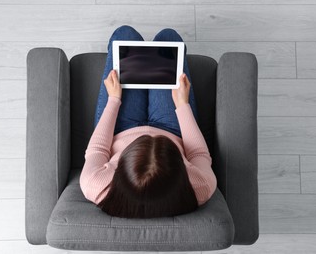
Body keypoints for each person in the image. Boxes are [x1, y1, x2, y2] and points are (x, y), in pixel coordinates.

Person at [80, 25, 217, 218]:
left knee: (125, 35)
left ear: (120, 168)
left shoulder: (96, 185)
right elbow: (198, 153)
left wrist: (114, 99)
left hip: (120, 129)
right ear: (180, 168)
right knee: (168, 38)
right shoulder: (200, 187)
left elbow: (98, 150)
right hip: (173, 129)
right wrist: (182, 105)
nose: (149, 135)